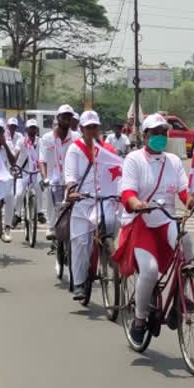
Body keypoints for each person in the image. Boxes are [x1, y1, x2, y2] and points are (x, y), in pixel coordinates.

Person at [113, 114, 194, 343]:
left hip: (166, 219)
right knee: (148, 271)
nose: (159, 137)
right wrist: (137, 204)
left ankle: (180, 296)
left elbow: (184, 192)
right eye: (154, 133)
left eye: (163, 133)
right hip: (142, 222)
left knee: (186, 242)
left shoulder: (173, 161)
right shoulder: (134, 160)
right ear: (145, 135)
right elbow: (126, 192)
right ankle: (139, 319)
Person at [64, 111, 121, 299]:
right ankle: (80, 282)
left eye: (95, 127)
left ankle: (108, 253)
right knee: (80, 242)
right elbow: (71, 175)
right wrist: (72, 190)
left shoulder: (108, 149)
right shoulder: (75, 149)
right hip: (82, 201)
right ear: (81, 129)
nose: (92, 130)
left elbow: (118, 172)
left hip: (103, 200)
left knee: (112, 223)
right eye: (88, 127)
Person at [39, 104, 79, 240]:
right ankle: (51, 227)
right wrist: (45, 178)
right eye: (64, 117)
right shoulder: (47, 138)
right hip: (53, 178)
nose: (67, 120)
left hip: (71, 179)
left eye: (69, 117)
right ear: (58, 118)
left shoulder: (76, 137)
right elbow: (42, 160)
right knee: (52, 193)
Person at [13, 119, 44, 227]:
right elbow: (16, 152)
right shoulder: (21, 141)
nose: (32, 130)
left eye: (34, 128)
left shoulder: (40, 142)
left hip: (35, 171)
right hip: (23, 171)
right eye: (30, 128)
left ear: (36, 130)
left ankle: (40, 212)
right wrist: (14, 164)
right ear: (26, 129)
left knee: (39, 189)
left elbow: (43, 156)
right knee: (19, 194)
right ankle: (17, 215)